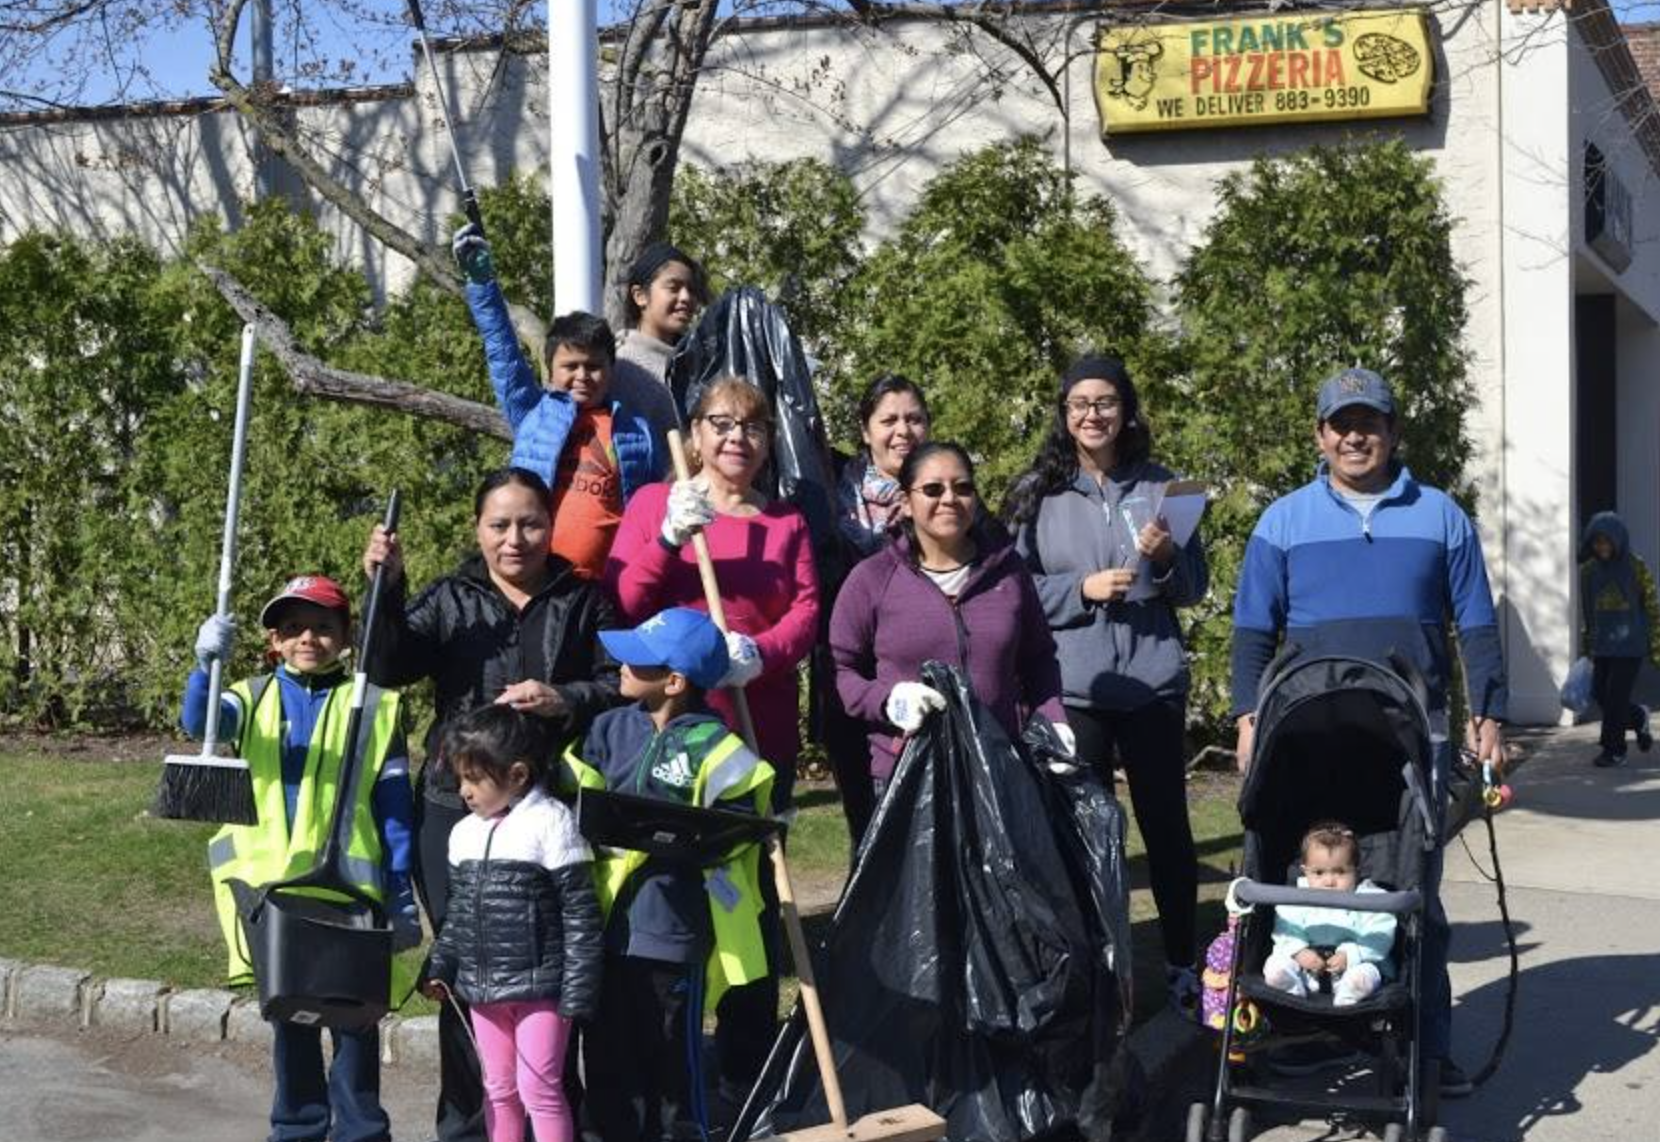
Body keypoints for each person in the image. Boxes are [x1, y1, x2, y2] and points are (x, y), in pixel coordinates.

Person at [1230, 367, 1507, 1097]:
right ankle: (1296, 1028)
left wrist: (1490, 714)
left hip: (1412, 729)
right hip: (1306, 732)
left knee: (1416, 895)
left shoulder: (1442, 516)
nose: (1356, 435)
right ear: (1320, 436)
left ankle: (1429, 1048)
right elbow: (1253, 630)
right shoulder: (1282, 522)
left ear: (1393, 432)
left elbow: (1475, 622)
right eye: (1340, 423)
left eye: (1370, 422)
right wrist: (1246, 717)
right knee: (1295, 876)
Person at [362, 467, 622, 1142]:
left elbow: (619, 682)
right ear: (478, 530)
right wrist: (384, 590)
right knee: (466, 973)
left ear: (551, 524)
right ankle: (469, 1125)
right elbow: (387, 663)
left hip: (546, 808)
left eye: (531, 522)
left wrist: (567, 698)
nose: (515, 539)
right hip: (457, 809)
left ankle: (559, 1117)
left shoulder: (582, 597)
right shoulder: (450, 597)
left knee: (547, 972)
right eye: (499, 525)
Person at [604, 377, 819, 1100]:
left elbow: (808, 610)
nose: (737, 438)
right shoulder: (653, 506)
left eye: (753, 427)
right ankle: (658, 1065)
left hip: (752, 739)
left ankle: (742, 1066)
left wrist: (760, 651)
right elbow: (628, 600)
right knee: (661, 897)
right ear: (694, 433)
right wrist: (667, 540)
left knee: (749, 903)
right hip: (668, 738)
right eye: (721, 424)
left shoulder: (785, 524)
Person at [1005, 353, 1208, 1016]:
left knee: (1167, 832)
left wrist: (1168, 558)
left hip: (1151, 683)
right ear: (1065, 416)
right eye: (1079, 405)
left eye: (1105, 403)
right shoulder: (1038, 491)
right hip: (1077, 685)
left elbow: (1194, 587)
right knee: (1084, 837)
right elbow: (1012, 590)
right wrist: (1080, 590)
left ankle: (1184, 965)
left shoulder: (1165, 489)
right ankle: (1094, 968)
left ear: (1126, 411)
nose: (1093, 415)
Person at [186, 575, 419, 1142]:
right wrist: (203, 668)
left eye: (322, 627)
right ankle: (297, 1129)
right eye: (292, 628)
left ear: (345, 636)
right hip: (276, 895)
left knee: (356, 1022)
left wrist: (402, 895)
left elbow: (392, 806)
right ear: (274, 639)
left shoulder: (377, 705)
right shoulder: (249, 694)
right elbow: (202, 725)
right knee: (292, 1021)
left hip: (352, 892)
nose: (307, 638)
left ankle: (362, 1131)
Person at [560, 607, 775, 1142]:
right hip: (605, 926)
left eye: (638, 658)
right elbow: (577, 795)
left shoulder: (720, 750)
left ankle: (682, 1132)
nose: (620, 663)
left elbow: (740, 830)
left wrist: (711, 831)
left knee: (669, 1055)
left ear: (675, 681)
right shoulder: (608, 727)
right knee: (607, 1053)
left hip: (673, 934)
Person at [830, 440, 1072, 800]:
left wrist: (1053, 717)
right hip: (909, 776)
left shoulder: (1009, 573)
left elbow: (1038, 659)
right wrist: (886, 700)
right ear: (906, 504)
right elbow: (843, 671)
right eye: (932, 489)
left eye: (963, 487)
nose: (949, 499)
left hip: (998, 768)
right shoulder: (873, 578)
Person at [421, 705, 603, 1142]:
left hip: (541, 992)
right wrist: (440, 967)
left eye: (473, 778)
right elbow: (458, 914)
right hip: (483, 992)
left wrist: (577, 990)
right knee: (499, 1089)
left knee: (539, 1089)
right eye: (461, 778)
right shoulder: (464, 834)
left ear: (518, 774)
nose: (464, 791)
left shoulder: (552, 823)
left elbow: (581, 914)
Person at [452, 222, 662, 579]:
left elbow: (651, 514)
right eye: (570, 366)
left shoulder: (637, 432)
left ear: (611, 370)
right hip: (537, 583)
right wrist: (481, 282)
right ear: (550, 370)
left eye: (594, 366)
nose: (582, 376)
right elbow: (502, 352)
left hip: (605, 592)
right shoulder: (533, 414)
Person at [820, 373, 932, 844]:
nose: (902, 431)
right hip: (851, 675)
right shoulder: (830, 498)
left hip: (923, 671)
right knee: (865, 817)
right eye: (888, 420)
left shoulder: (943, 490)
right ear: (865, 431)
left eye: (914, 419)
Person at [1262, 821, 1396, 1007]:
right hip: (1305, 969)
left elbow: (1381, 933)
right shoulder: (1296, 898)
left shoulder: (1371, 899)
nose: (1329, 881)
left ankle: (1350, 993)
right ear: (1305, 871)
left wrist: (1352, 955)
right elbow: (1285, 927)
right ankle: (1292, 988)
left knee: (1366, 972)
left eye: (1340, 872)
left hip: (1351, 966)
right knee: (1276, 964)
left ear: (1356, 871)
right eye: (1318, 872)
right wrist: (1298, 951)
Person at [1579, 511, 1660, 767]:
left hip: (1630, 646)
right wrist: (1587, 646)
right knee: (1600, 694)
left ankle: (1614, 749)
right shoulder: (1589, 571)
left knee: (1615, 697)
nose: (1601, 547)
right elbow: (1588, 611)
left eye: (1606, 541)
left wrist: (1656, 645)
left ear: (1618, 540)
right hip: (1603, 645)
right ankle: (1637, 718)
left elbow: (1652, 605)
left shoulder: (1635, 566)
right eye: (1596, 542)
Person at [612, 241, 708, 444]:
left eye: (691, 290)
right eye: (673, 288)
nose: (686, 298)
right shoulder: (621, 366)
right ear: (640, 296)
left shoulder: (700, 363)